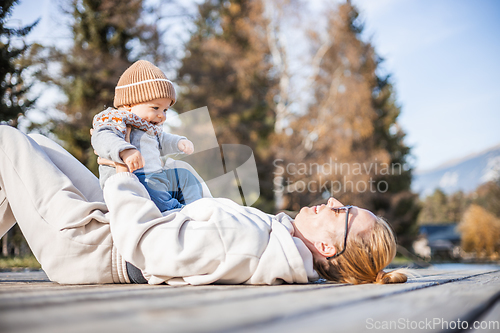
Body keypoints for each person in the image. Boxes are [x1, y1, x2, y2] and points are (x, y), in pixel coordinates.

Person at [0, 125, 407, 285]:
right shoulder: (274, 238)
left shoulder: (252, 240)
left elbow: (150, 249)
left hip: (91, 245)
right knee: (34, 147)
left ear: (328, 249)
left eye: (344, 214)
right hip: (109, 229)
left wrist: (119, 174)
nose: (334, 201)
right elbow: (196, 226)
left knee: (6, 141)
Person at [91, 60, 202, 211]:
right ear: (129, 104)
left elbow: (162, 140)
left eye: (165, 110)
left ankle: (198, 205)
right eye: (156, 108)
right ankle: (174, 210)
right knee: (155, 196)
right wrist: (125, 150)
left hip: (157, 176)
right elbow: (102, 137)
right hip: (135, 180)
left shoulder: (149, 127)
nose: (161, 116)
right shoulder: (116, 119)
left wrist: (179, 142)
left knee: (184, 176)